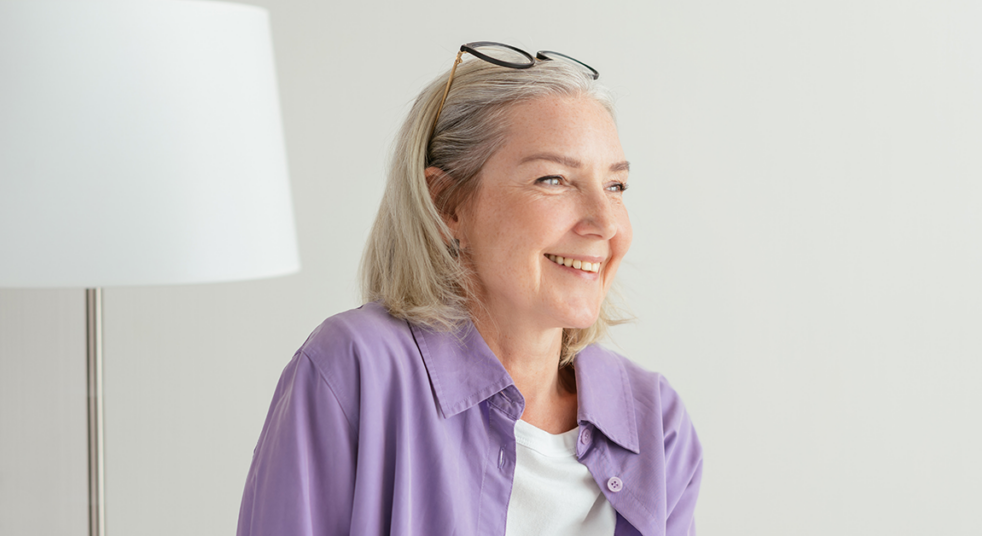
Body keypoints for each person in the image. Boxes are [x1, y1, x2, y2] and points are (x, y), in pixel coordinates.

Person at [237, 42, 702, 536]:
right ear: (447, 205)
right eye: (554, 179)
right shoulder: (356, 369)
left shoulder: (655, 419)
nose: (606, 223)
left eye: (615, 186)